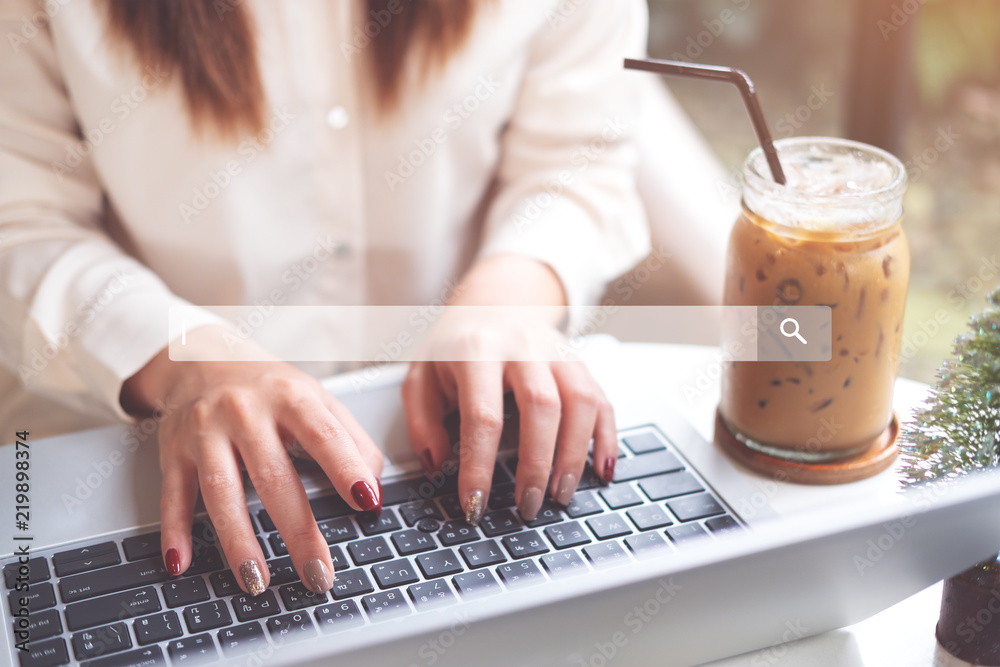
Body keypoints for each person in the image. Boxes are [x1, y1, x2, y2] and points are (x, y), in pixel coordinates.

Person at [0, 0, 650, 597]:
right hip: (131, 443)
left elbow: (578, 157)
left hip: (446, 427)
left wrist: (507, 298)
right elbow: (20, 220)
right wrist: (179, 357)